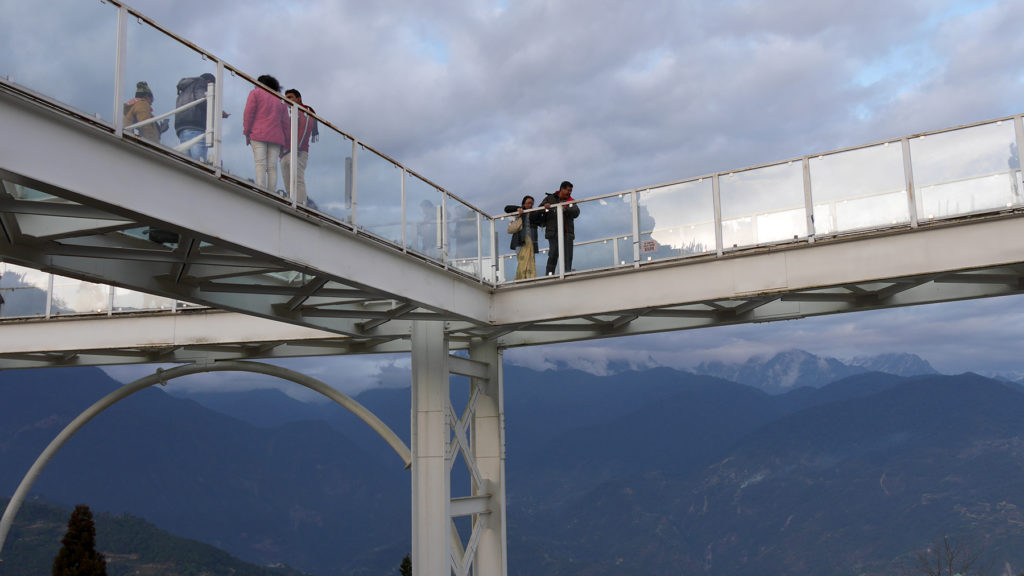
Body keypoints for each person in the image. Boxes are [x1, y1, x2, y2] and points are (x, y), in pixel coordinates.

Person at [243, 74, 289, 192]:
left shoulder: (256, 93)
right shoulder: (281, 100)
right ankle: (271, 192)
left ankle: (261, 189)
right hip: (277, 137)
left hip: (258, 134)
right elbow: (286, 123)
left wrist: (247, 131)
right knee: (272, 166)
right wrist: (287, 141)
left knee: (260, 163)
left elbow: (249, 114)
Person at [280, 88, 319, 206]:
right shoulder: (291, 113)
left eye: (290, 97)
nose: (288, 100)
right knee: (287, 182)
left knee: (298, 179)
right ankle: (292, 202)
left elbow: (305, 129)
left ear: (298, 98)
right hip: (285, 152)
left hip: (298, 151)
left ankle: (300, 205)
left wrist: (296, 148)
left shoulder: (305, 111)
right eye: (286, 98)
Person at [540, 181, 580, 276]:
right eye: (568, 190)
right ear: (562, 189)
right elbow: (539, 209)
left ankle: (567, 274)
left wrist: (565, 209)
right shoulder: (550, 198)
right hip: (553, 232)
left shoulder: (571, 200)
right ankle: (549, 275)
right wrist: (545, 207)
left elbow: (576, 212)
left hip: (567, 233)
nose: (569, 193)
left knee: (568, 255)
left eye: (571, 191)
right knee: (553, 254)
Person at [174, 72, 216, 161]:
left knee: (187, 163)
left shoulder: (185, 88)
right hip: (196, 128)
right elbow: (203, 101)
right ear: (209, 82)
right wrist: (217, 111)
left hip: (182, 129)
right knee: (199, 163)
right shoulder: (201, 83)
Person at [504, 195, 541, 279]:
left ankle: (529, 277)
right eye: (528, 203)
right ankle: (521, 278)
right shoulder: (520, 212)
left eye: (531, 203)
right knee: (521, 260)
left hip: (530, 241)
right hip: (518, 242)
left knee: (529, 260)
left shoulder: (533, 214)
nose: (530, 205)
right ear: (524, 204)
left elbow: (540, 220)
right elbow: (506, 208)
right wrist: (518, 209)